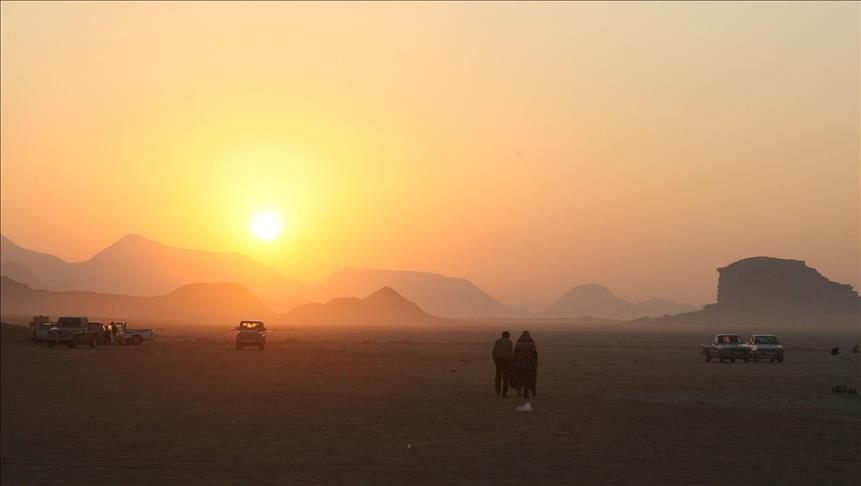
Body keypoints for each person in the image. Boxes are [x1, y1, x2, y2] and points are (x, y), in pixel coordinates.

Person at [511, 330, 538, 399]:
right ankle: (526, 394)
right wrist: (535, 364)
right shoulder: (531, 343)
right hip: (529, 364)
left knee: (519, 377)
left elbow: (515, 354)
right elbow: (535, 354)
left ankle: (519, 392)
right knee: (527, 378)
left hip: (519, 363)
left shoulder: (519, 342)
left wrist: (513, 363)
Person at [491, 331, 513, 397]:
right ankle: (504, 392)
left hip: (498, 360)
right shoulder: (509, 342)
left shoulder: (497, 341)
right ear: (508, 336)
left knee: (498, 375)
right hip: (506, 360)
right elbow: (510, 353)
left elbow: (493, 352)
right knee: (505, 376)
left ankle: (497, 390)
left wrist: (495, 359)